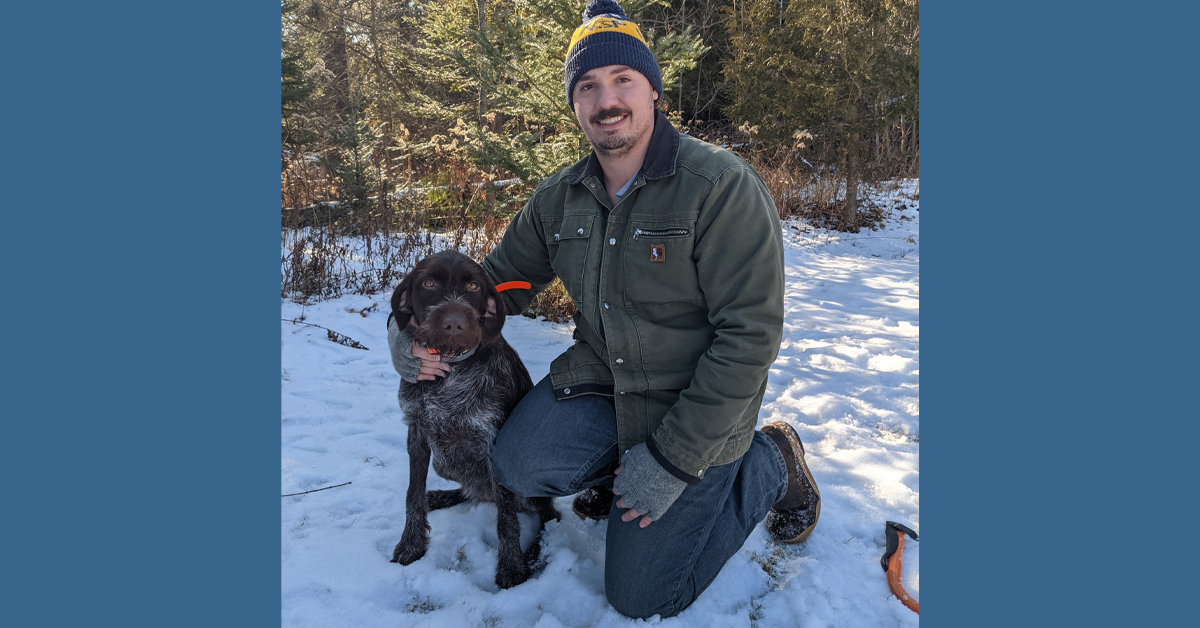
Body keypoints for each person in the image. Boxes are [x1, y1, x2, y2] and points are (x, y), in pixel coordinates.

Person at [388, 0, 820, 618]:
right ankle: (611, 466)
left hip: (696, 401)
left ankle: (772, 462)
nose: (606, 99)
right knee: (516, 464)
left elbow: (749, 337)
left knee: (644, 596)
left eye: (622, 80)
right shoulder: (559, 198)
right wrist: (408, 337)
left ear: (653, 91)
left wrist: (672, 460)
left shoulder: (719, 186)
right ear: (574, 104)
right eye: (587, 86)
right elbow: (490, 288)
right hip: (604, 380)